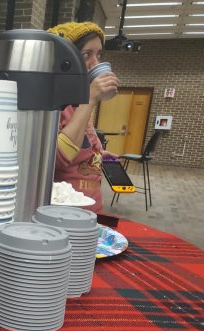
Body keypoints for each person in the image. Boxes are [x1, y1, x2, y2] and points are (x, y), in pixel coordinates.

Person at [47, 22, 120, 213]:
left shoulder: (79, 103)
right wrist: (91, 98)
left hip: (90, 214)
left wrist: (98, 155)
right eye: (87, 55)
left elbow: (82, 145)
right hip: (65, 216)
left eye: (99, 55)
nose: (96, 63)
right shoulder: (54, 104)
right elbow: (59, 159)